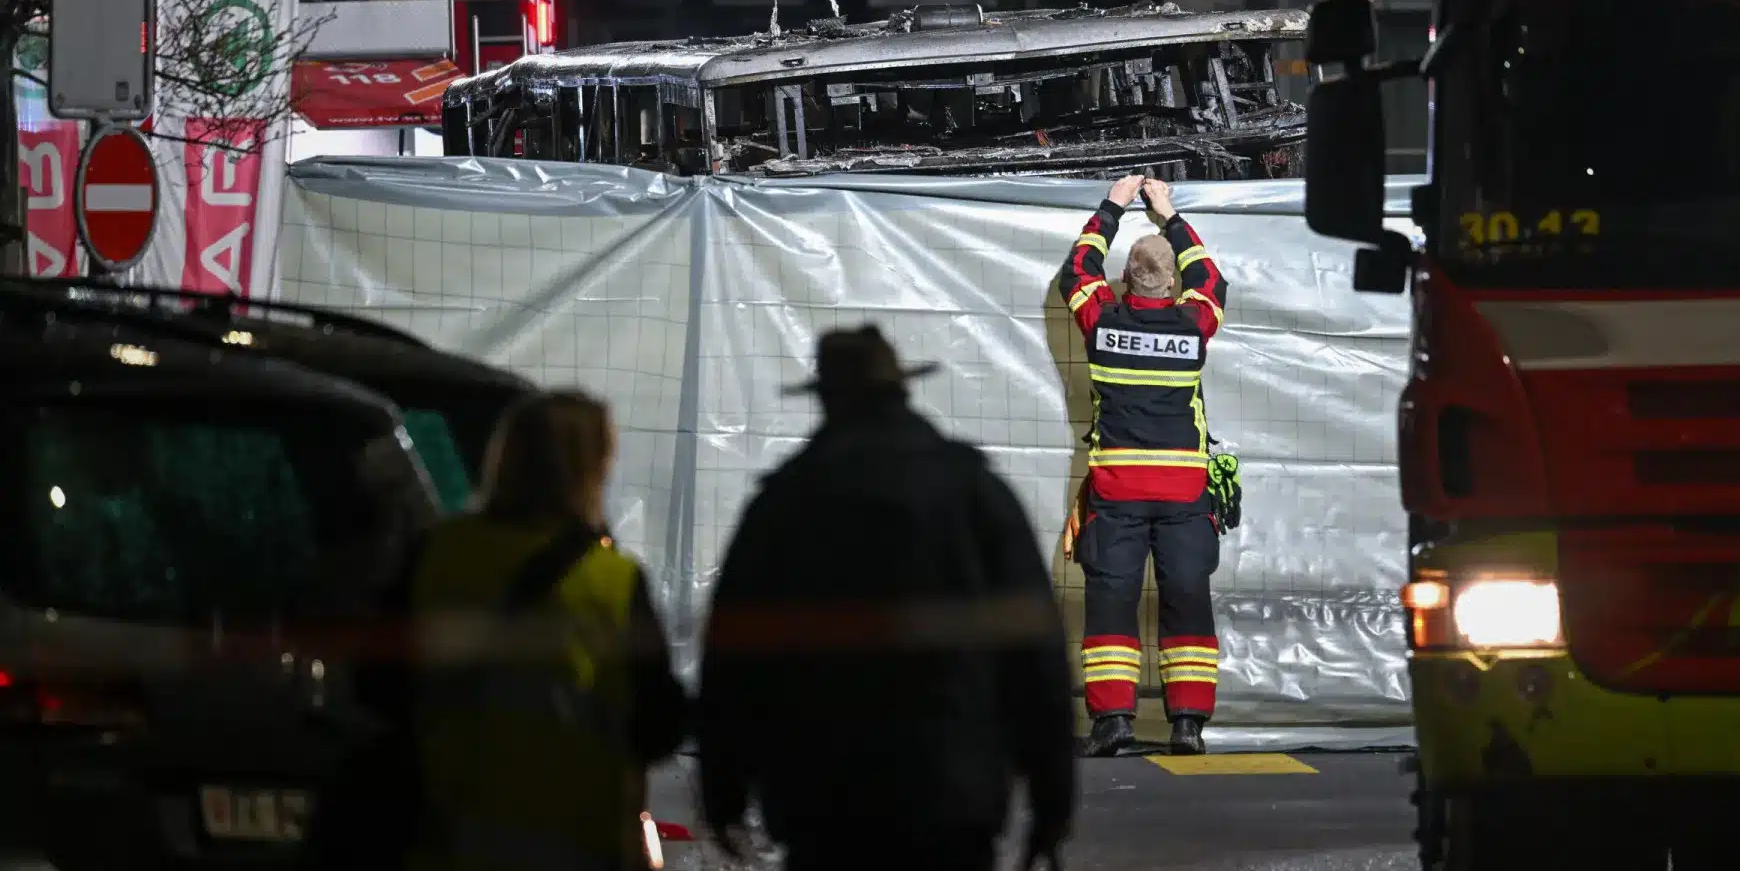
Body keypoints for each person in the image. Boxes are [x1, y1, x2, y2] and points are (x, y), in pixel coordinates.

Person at [697, 327, 1076, 871]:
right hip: (949, 794)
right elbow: (1035, 649)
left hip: (823, 800)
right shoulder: (973, 491)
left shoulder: (787, 499)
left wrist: (723, 790)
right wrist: (1052, 799)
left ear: (825, 398)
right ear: (902, 391)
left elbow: (732, 654)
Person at [391, 390, 688, 871]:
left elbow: (379, 685)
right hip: (574, 841)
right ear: (591, 470)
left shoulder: (436, 555)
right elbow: (658, 724)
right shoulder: (611, 580)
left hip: (449, 836)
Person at [1059, 175, 1229, 757]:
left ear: (1124, 280)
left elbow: (1077, 272)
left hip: (1118, 494)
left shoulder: (1103, 324)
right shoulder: (1193, 325)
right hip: (1185, 497)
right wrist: (1169, 214)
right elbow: (1211, 279)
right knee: (1187, 599)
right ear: (1175, 286)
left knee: (1111, 601)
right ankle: (1187, 725)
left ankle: (1114, 723)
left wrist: (1114, 203)